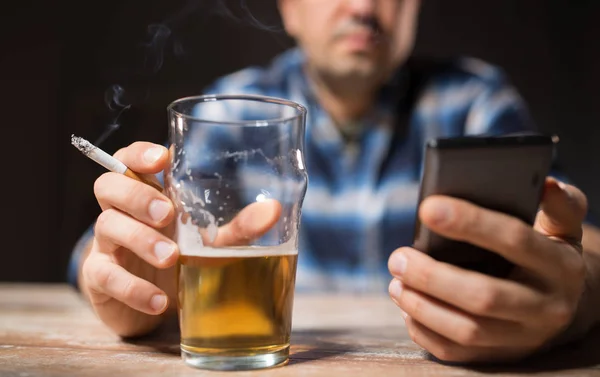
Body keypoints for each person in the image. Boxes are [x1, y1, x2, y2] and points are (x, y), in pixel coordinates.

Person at [69, 0, 600, 364]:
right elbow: (105, 252)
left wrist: (573, 296)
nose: (365, 7)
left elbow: (575, 238)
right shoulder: (226, 110)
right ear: (289, 8)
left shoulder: (475, 100)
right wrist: (134, 274)